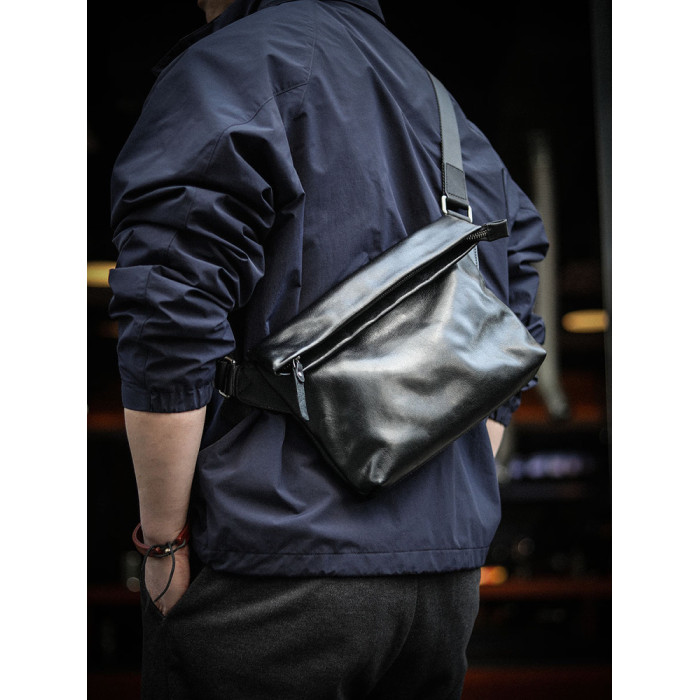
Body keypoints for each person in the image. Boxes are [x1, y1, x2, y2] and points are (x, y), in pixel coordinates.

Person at [108, 0, 548, 698]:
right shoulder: (438, 103)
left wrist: (162, 543)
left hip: (273, 572)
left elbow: (171, 315)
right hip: (442, 585)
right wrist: (431, 452)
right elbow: (518, 279)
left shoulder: (230, 68)